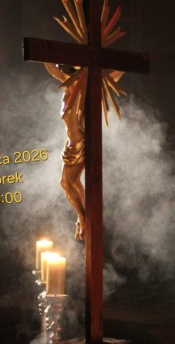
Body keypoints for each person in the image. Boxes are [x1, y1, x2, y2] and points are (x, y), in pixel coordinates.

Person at [44, 63, 124, 241]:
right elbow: (53, 70)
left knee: (66, 182)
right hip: (72, 143)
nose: (60, 75)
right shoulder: (69, 87)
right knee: (73, 182)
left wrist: (123, 65)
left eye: (63, 72)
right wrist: (44, 57)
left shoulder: (78, 85)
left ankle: (82, 217)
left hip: (78, 143)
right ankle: (83, 216)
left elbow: (113, 78)